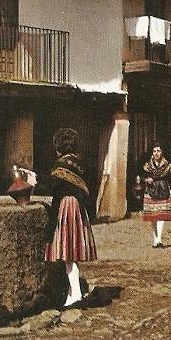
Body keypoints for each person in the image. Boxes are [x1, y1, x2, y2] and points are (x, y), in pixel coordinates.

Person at [33, 128, 97, 307]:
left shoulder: (62, 164)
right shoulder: (80, 163)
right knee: (72, 254)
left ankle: (76, 294)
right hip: (79, 208)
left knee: (68, 253)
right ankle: (72, 293)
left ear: (58, 147)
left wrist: (33, 179)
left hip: (67, 207)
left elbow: (51, 185)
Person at [140, 144, 171, 248]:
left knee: (161, 215)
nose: (156, 153)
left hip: (164, 191)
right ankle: (155, 239)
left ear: (162, 152)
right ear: (152, 153)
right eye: (154, 151)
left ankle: (159, 239)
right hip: (151, 192)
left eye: (158, 151)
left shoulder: (167, 166)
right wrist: (146, 179)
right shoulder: (147, 165)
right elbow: (141, 176)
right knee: (153, 217)